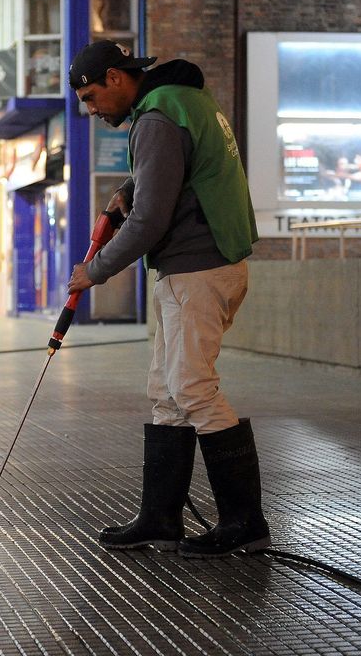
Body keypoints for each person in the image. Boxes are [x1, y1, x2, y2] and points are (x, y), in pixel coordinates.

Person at [66, 40, 269, 558]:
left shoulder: (155, 117)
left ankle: (244, 524)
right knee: (166, 389)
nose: (91, 110)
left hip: (198, 267)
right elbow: (176, 173)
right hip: (197, 265)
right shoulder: (181, 100)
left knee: (192, 388)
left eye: (91, 97)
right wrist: (131, 188)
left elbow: (150, 222)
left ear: (116, 77)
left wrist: (95, 271)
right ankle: (160, 519)